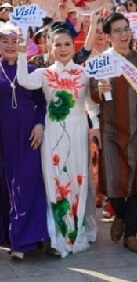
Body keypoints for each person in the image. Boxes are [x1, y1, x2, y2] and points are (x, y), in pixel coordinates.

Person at [17, 21, 101, 258]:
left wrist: (95, 127)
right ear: (49, 47)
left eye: (67, 44)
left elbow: (91, 105)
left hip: (78, 132)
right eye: (58, 45)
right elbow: (24, 81)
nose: (63, 49)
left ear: (73, 46)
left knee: (78, 180)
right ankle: (57, 236)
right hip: (53, 133)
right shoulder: (43, 73)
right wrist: (23, 54)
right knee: (54, 180)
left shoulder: (84, 73)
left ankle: (76, 233)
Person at [90, 13, 137, 253]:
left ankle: (132, 233)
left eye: (126, 29)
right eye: (117, 30)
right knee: (113, 180)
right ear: (107, 36)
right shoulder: (99, 62)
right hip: (110, 129)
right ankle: (120, 214)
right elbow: (92, 95)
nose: (124, 34)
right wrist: (99, 88)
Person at [0, 22, 48, 259]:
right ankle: (9, 235)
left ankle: (23, 240)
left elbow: (42, 102)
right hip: (4, 138)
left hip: (29, 136)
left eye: (14, 41)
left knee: (26, 184)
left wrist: (40, 124)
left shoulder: (31, 69)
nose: (10, 45)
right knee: (6, 187)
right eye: (4, 41)